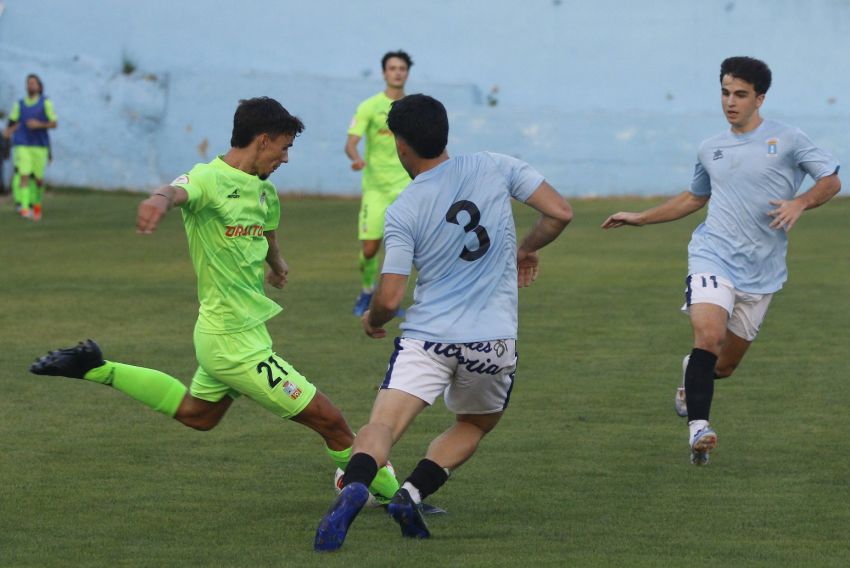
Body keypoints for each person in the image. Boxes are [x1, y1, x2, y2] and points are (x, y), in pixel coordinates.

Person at [30, 97, 399, 502]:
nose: (287, 157)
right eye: (285, 147)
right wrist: (158, 200)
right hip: (231, 342)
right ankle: (398, 497)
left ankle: (96, 367)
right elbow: (176, 191)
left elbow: (267, 229)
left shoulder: (264, 190)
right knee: (331, 422)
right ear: (262, 140)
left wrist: (276, 263)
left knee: (198, 415)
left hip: (235, 333)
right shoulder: (208, 178)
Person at [314, 94, 573, 552]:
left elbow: (390, 297)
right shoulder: (494, 165)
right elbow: (559, 212)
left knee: (383, 426)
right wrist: (525, 247)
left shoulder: (404, 208)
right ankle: (412, 493)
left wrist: (373, 320)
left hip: (427, 340)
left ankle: (356, 485)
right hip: (492, 342)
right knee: (473, 425)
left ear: (401, 145)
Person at [601, 57, 841, 466]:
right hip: (712, 256)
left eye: (741, 94)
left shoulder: (788, 139)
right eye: (726, 92)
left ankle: (689, 377)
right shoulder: (710, 148)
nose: (731, 102)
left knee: (723, 366)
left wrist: (800, 202)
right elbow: (695, 197)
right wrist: (640, 217)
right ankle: (699, 429)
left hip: (763, 271)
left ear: (760, 98)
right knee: (708, 338)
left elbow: (831, 179)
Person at [345, 50, 414, 316]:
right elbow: (351, 142)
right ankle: (366, 291)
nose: (397, 72)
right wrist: (356, 159)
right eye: (392, 68)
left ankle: (392, 300)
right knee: (371, 248)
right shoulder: (369, 107)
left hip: (406, 187)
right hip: (376, 189)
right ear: (384, 72)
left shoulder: (412, 107)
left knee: (402, 248)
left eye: (402, 68)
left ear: (407, 73)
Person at [2, 74, 57, 221]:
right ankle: (24, 208)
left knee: (38, 179)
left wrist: (39, 124)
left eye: (33, 83)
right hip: (22, 143)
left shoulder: (46, 103)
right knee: (24, 174)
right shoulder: (19, 104)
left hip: (39, 146)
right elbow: (13, 122)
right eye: (28, 83)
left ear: (39, 86)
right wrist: (9, 131)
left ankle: (36, 205)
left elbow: (54, 123)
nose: (30, 86)